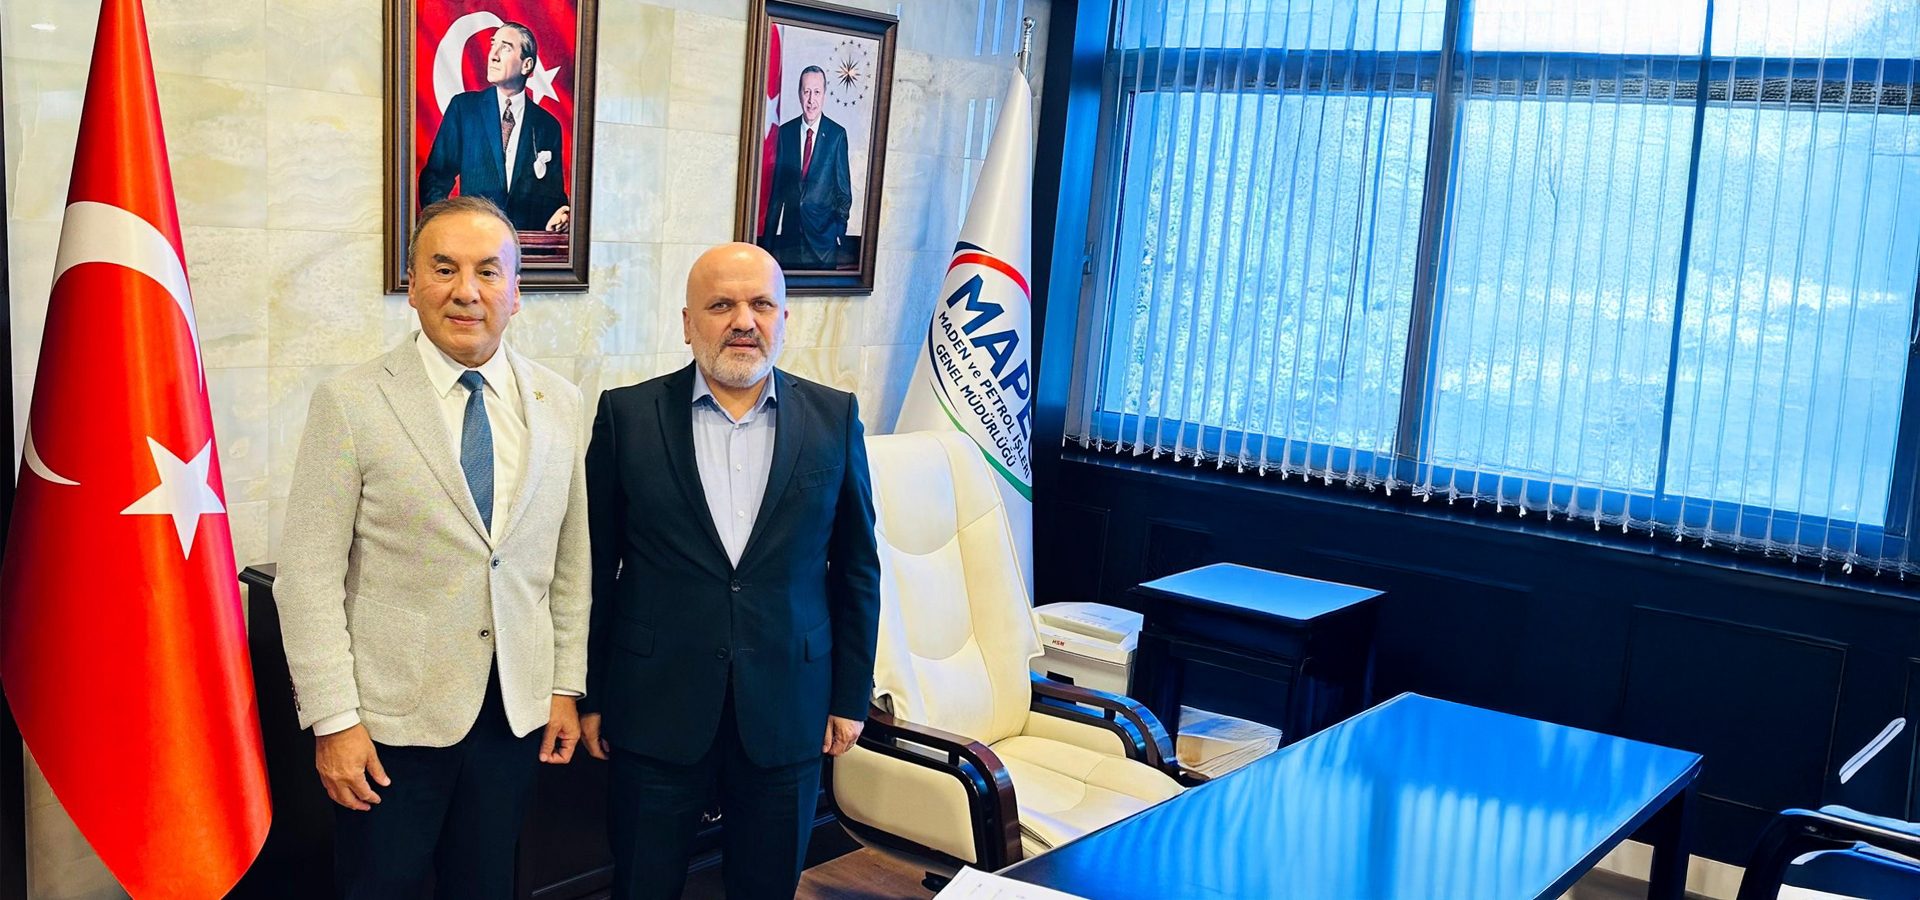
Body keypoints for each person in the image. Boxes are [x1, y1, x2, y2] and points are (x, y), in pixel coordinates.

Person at [276, 196, 591, 899]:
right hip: (388, 728)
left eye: (488, 271)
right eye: (443, 268)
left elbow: (570, 566)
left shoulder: (560, 401)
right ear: (412, 284)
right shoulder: (351, 401)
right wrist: (335, 721)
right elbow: (308, 579)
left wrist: (564, 686)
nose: (465, 291)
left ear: (516, 292)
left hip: (512, 717)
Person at [581, 242, 881, 899]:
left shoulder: (835, 418)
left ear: (783, 319)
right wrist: (592, 694)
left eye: (761, 304)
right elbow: (594, 571)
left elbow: (858, 568)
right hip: (653, 709)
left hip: (788, 708)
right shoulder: (626, 417)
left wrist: (848, 696)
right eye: (721, 305)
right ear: (687, 324)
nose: (743, 320)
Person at [419, 23, 571, 233]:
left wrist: (562, 213)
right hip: (472, 244)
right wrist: (445, 228)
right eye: (493, 45)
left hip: (525, 251)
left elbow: (554, 196)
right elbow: (436, 177)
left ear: (526, 65)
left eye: (506, 47)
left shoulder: (548, 125)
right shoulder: (464, 109)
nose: (493, 55)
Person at [759, 66, 853, 269]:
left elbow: (843, 194)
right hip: (790, 243)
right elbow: (777, 195)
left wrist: (837, 232)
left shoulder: (837, 135)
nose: (811, 100)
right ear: (799, 94)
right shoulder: (785, 133)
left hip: (823, 245)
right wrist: (767, 246)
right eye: (806, 91)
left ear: (824, 95)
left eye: (817, 92)